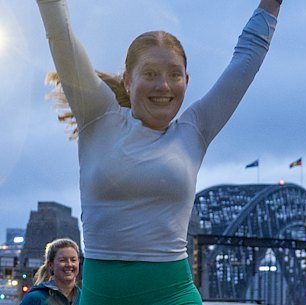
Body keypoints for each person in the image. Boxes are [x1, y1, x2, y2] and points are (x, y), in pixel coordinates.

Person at [35, 0, 282, 304]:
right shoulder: (97, 116)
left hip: (174, 295)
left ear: (186, 81)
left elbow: (246, 58)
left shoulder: (195, 131)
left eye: (174, 75)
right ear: (128, 79)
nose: (163, 85)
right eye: (150, 73)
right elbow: (61, 35)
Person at [20, 238, 81, 305]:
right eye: (62, 260)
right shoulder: (35, 298)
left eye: (73, 260)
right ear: (51, 265)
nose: (69, 264)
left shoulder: (85, 298)